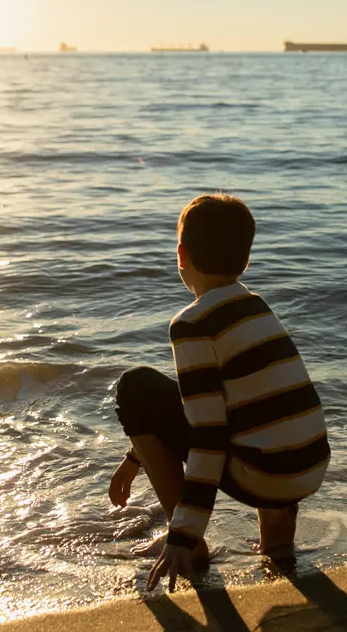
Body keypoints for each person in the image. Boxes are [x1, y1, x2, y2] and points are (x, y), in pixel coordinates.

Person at [109, 194, 330, 592]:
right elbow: (257, 400)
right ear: (245, 259)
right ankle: (277, 541)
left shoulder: (191, 323)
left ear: (182, 255)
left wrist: (184, 532)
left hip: (262, 476)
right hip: (307, 468)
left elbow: (208, 435)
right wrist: (134, 457)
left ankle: (192, 550)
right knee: (261, 409)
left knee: (135, 386)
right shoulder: (257, 306)